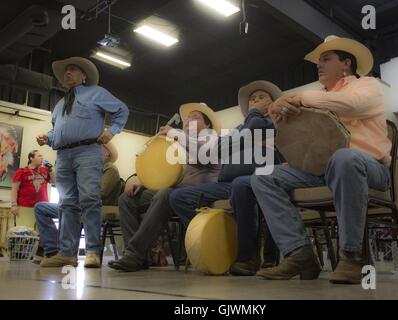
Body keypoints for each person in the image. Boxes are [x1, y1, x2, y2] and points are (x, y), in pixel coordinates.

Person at [251, 35, 391, 284]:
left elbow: (352, 104)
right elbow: (293, 136)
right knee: (263, 178)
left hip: (370, 167)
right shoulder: (318, 95)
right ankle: (299, 253)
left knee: (344, 158)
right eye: (318, 61)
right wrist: (279, 111)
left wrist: (300, 99)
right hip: (322, 169)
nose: (319, 64)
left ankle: (351, 255)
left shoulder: (368, 85)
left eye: (326, 59)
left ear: (346, 64)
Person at [169, 80, 283, 276]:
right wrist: (244, 137)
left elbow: (255, 127)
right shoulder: (239, 127)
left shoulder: (277, 122)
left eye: (261, 98)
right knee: (177, 197)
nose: (255, 101)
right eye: (252, 99)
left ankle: (248, 256)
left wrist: (253, 117)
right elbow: (219, 149)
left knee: (242, 186)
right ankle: (216, 240)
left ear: (271, 104)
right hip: (229, 182)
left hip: (263, 177)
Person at [36, 57, 129, 268]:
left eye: (72, 69)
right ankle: (67, 253)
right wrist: (47, 138)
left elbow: (122, 109)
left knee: (89, 199)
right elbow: (56, 131)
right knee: (67, 203)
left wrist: (111, 131)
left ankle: (93, 252)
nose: (67, 73)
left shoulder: (96, 93)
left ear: (84, 75)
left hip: (88, 151)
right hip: (63, 155)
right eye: (65, 71)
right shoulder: (59, 105)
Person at [108, 103, 221, 272]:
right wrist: (142, 181)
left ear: (207, 125)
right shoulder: (178, 145)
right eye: (187, 118)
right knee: (126, 199)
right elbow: (160, 170)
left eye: (195, 117)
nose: (188, 120)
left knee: (165, 194)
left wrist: (174, 134)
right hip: (173, 191)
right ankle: (139, 257)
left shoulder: (212, 139)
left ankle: (133, 254)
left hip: (197, 193)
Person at [34, 142, 122, 261]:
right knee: (40, 207)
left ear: (107, 153)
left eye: (96, 149)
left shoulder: (110, 168)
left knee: (67, 209)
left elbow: (101, 193)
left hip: (91, 207)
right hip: (76, 205)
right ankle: (53, 249)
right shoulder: (86, 168)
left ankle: (58, 251)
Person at [11, 150, 55, 228]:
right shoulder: (22, 171)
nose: (42, 158)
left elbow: (54, 182)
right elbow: (14, 189)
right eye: (39, 156)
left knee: (40, 234)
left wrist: (50, 170)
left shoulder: (44, 171)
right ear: (31, 158)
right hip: (25, 207)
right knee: (25, 233)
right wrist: (14, 205)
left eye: (42, 156)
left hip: (43, 207)